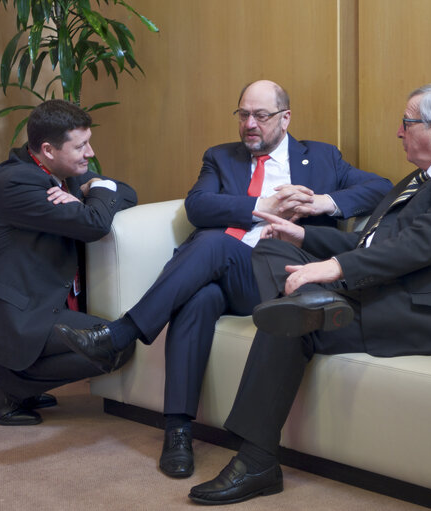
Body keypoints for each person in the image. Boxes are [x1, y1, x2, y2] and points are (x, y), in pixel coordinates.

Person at [54, 80, 392, 476]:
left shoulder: (320, 158)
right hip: (221, 272)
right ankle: (177, 432)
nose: (250, 124)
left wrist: (323, 201)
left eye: (261, 116)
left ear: (285, 118)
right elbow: (198, 206)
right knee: (197, 298)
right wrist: (259, 205)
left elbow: (380, 187)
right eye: (243, 114)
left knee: (213, 245)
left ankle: (121, 334)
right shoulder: (220, 157)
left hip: (272, 276)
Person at [187, 82, 431, 505]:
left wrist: (334, 268)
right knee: (271, 247)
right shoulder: (420, 179)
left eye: (406, 123)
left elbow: (416, 248)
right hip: (378, 290)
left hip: (424, 312)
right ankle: (309, 299)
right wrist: (303, 237)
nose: (398, 132)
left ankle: (257, 460)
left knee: (291, 323)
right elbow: (371, 245)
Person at [0, 99, 138, 426]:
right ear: (49, 149)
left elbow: (125, 193)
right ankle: (2, 383)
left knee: (114, 340)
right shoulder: (17, 182)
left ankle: (15, 381)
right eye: (81, 146)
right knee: (114, 344)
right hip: (8, 308)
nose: (90, 153)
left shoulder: (59, 175)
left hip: (37, 301)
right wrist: (90, 201)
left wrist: (93, 190)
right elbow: (94, 225)